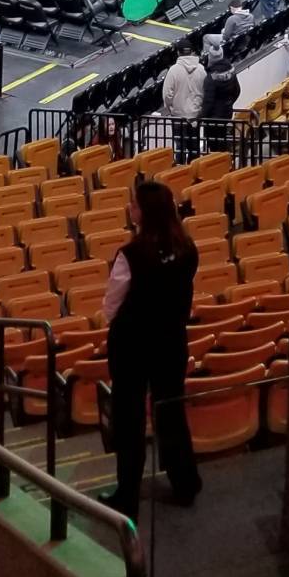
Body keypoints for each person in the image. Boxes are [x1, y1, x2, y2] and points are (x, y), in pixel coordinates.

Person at [101, 179, 199, 518]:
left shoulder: (130, 255)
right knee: (171, 412)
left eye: (134, 204)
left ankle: (128, 496)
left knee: (129, 420)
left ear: (145, 213)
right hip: (171, 340)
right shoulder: (188, 248)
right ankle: (186, 483)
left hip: (132, 346)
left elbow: (111, 307)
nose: (131, 209)